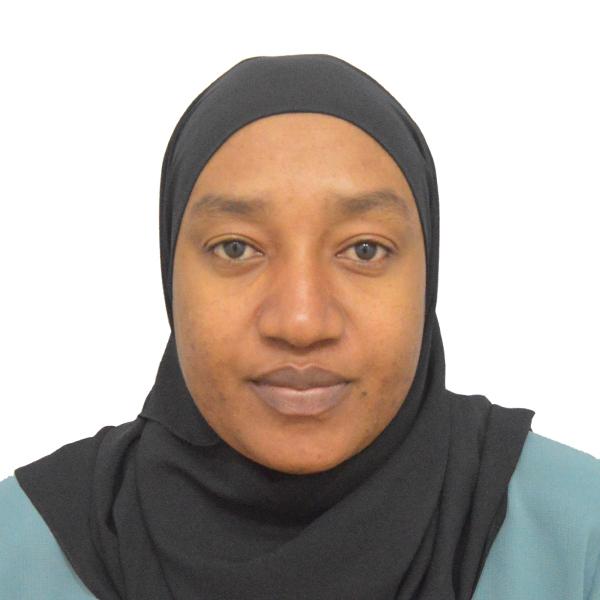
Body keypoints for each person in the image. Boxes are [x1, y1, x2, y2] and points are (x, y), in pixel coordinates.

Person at [1, 53, 599, 600]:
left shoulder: (579, 535)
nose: (302, 322)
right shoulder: (21, 548)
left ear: (428, 273)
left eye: (364, 249)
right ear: (169, 272)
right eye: (236, 248)